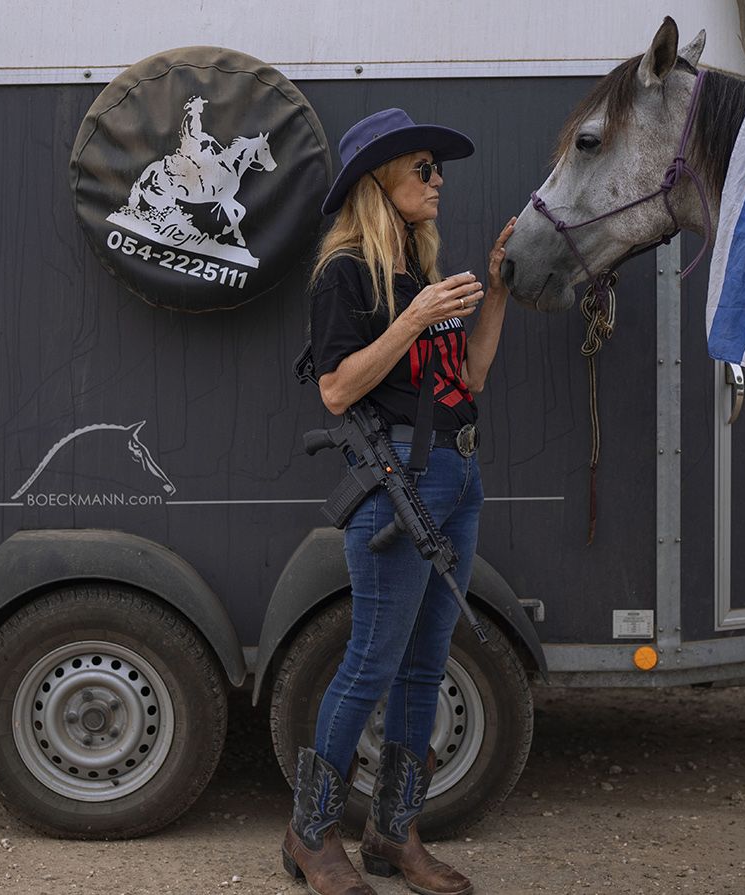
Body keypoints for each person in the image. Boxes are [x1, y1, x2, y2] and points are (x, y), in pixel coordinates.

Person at [283, 107, 515, 895]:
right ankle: (309, 834)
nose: (437, 179)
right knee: (370, 663)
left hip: (459, 475)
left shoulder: (422, 273)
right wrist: (415, 317)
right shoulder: (345, 272)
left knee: (425, 666)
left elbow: (470, 380)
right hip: (399, 489)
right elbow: (338, 387)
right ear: (380, 182)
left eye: (435, 168)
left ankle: (392, 832)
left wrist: (499, 293)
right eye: (423, 167)